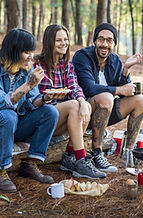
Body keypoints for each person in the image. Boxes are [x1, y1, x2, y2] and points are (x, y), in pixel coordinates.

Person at [0, 29, 60, 193]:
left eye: (31, 51)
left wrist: (44, 99)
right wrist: (28, 85)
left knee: (50, 112)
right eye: (26, 52)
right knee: (7, 115)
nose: (31, 56)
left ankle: (30, 164)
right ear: (13, 50)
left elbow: (30, 102)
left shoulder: (25, 69)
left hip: (11, 125)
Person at [72, 23, 143, 172]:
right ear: (94, 41)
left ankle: (128, 153)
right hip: (83, 112)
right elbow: (89, 88)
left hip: (105, 112)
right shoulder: (82, 56)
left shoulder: (115, 61)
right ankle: (96, 153)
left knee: (140, 100)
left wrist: (126, 69)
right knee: (106, 97)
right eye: (101, 39)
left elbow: (125, 89)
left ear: (114, 43)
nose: (104, 44)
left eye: (109, 40)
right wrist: (119, 90)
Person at [34, 24, 106, 179]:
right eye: (58, 40)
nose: (64, 43)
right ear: (49, 42)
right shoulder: (37, 65)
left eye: (65, 39)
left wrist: (83, 102)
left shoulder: (67, 65)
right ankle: (81, 159)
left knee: (83, 104)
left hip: (59, 121)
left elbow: (74, 86)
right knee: (75, 105)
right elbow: (33, 98)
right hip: (41, 118)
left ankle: (69, 156)